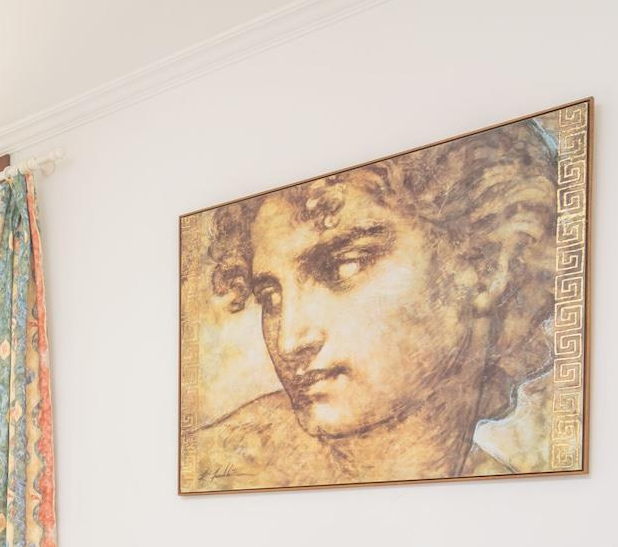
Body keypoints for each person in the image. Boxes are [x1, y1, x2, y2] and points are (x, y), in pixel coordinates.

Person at [185, 119, 562, 489]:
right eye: (270, 297)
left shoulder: (510, 492)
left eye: (345, 266)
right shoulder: (223, 463)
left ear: (485, 264)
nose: (289, 341)